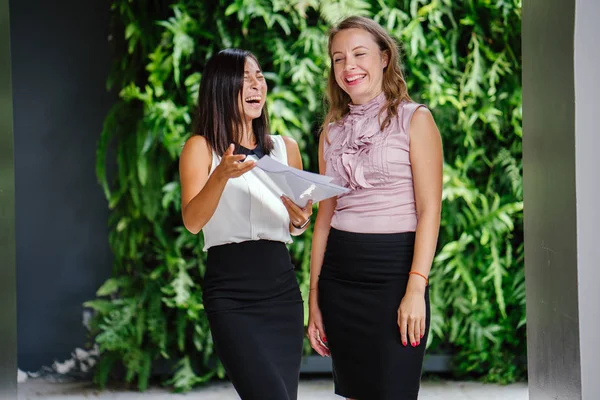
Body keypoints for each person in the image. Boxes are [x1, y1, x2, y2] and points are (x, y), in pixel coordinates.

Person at [307, 16, 443, 400]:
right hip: (339, 278)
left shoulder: (416, 120)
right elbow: (324, 220)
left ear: (384, 58)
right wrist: (314, 296)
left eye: (359, 54)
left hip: (396, 276)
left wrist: (416, 287)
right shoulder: (331, 132)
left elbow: (430, 211)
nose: (348, 66)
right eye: (338, 58)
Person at [179, 48, 312, 400]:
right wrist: (220, 175)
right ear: (221, 87)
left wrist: (300, 223)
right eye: (244, 79)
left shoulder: (286, 148)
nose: (256, 85)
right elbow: (193, 222)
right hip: (230, 294)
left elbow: (296, 222)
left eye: (259, 77)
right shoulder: (200, 148)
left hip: (281, 291)